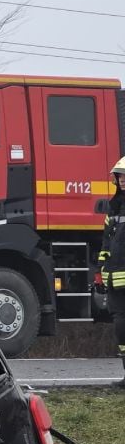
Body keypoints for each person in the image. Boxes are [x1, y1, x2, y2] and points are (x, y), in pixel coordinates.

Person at [99, 157, 125, 387]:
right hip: (115, 278)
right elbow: (107, 242)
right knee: (120, 327)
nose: (123, 180)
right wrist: (103, 268)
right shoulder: (114, 207)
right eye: (120, 176)